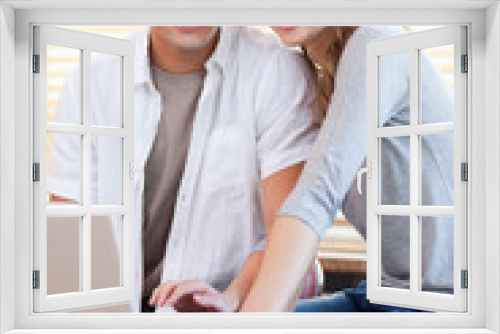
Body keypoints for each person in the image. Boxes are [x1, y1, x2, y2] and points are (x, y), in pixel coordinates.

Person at [148, 26, 454, 313]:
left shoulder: (379, 43)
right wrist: (232, 301)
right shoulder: (318, 75)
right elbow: (285, 220)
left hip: (443, 301)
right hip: (384, 292)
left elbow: (315, 198)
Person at [47, 26, 318, 312]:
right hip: (114, 312)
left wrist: (230, 302)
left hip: (229, 313)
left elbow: (287, 230)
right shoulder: (90, 81)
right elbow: (72, 235)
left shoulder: (276, 70)